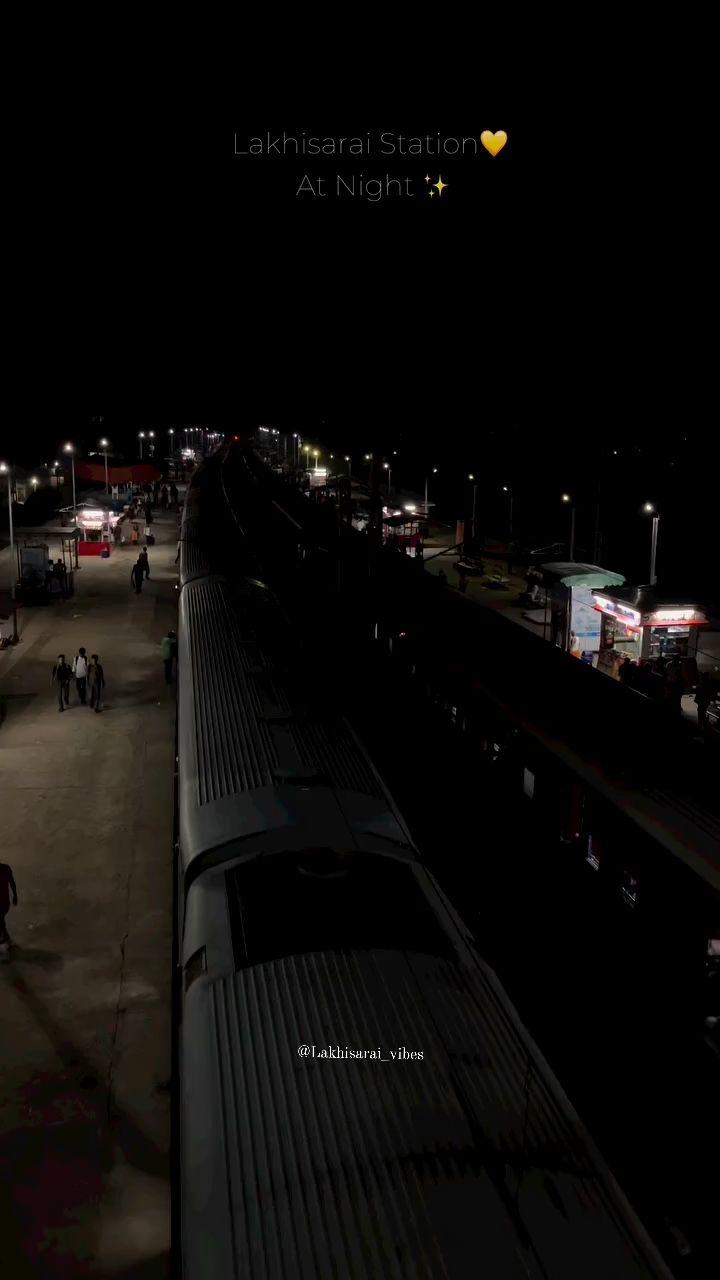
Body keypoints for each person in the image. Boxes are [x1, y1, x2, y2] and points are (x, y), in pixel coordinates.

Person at [0, 861, 18, 945]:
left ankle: (5, 937)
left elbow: (12, 883)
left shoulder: (5, 869)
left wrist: (15, 896)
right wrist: (15, 896)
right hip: (5, 903)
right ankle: (6, 937)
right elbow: (12, 883)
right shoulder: (6, 869)